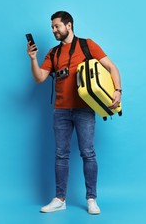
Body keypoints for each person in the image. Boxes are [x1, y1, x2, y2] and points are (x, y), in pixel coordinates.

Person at [26, 11, 122, 215]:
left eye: (57, 26)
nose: (53, 30)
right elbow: (39, 78)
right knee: (61, 155)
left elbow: (111, 67)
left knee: (88, 153)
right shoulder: (53, 53)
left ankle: (91, 199)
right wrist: (33, 59)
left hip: (84, 110)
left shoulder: (87, 45)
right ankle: (60, 199)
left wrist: (117, 91)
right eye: (52, 27)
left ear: (68, 26)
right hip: (60, 110)